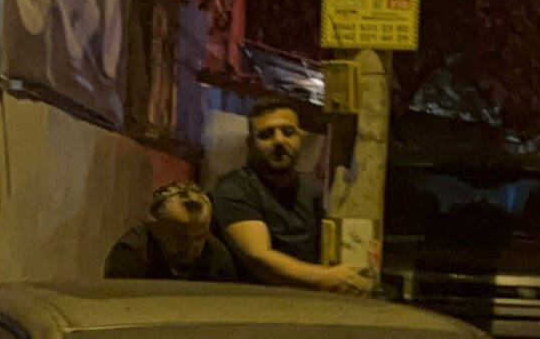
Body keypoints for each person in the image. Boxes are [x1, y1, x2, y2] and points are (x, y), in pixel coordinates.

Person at [210, 97, 368, 294]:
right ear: (250, 143)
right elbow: (258, 257)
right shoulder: (236, 188)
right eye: (266, 134)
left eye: (288, 132)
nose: (279, 141)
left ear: (300, 139)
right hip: (253, 303)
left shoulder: (310, 189)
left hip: (306, 302)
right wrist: (327, 277)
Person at [104, 181, 242, 282]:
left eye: (199, 237)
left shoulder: (216, 254)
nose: (190, 247)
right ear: (156, 229)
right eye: (180, 237)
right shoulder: (131, 254)